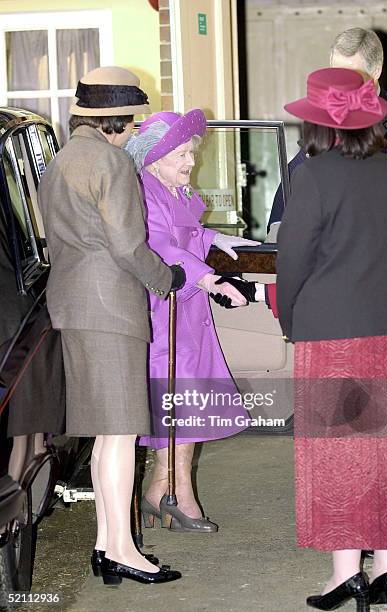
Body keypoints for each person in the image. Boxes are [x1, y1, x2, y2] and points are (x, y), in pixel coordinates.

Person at [38, 66, 185, 585]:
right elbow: (128, 247)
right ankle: (121, 550)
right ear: (117, 122)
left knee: (107, 437)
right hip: (111, 311)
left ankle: (108, 544)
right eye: (133, 123)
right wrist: (167, 277)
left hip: (73, 305)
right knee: (121, 433)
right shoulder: (111, 163)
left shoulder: (59, 161)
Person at [277, 66, 387, 611]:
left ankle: (346, 576)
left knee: (339, 456)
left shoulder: (313, 176)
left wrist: (290, 320)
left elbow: (293, 262)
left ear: (318, 127)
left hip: (331, 337)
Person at [125, 110, 263, 531]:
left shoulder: (174, 191)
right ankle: (177, 496)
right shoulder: (145, 192)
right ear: (154, 159)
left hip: (185, 311)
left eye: (191, 153)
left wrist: (216, 238)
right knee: (179, 403)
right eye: (181, 154)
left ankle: (158, 493)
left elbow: (188, 233)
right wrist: (210, 278)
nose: (190, 162)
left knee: (186, 402)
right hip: (165, 309)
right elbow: (162, 245)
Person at [268, 27, 387, 233]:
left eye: (351, 75)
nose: (340, 83)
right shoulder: (322, 115)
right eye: (335, 73)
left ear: (376, 71)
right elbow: (297, 171)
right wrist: (277, 227)